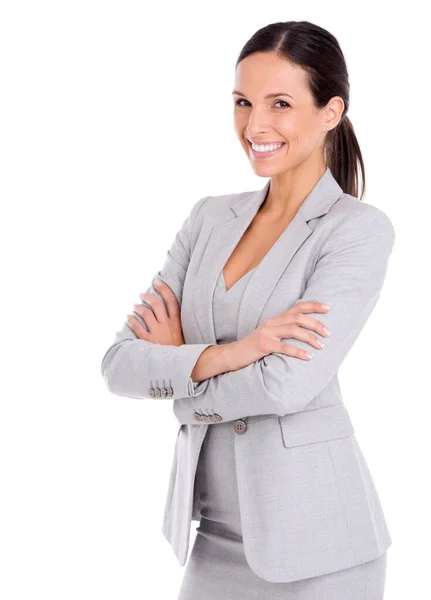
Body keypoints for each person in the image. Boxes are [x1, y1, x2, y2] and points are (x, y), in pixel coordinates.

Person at [101, 20, 394, 600]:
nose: (255, 125)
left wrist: (181, 374)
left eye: (280, 104)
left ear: (330, 112)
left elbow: (287, 386)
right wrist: (238, 352)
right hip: (212, 536)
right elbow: (118, 366)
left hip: (321, 546)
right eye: (242, 102)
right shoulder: (210, 218)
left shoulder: (357, 231)